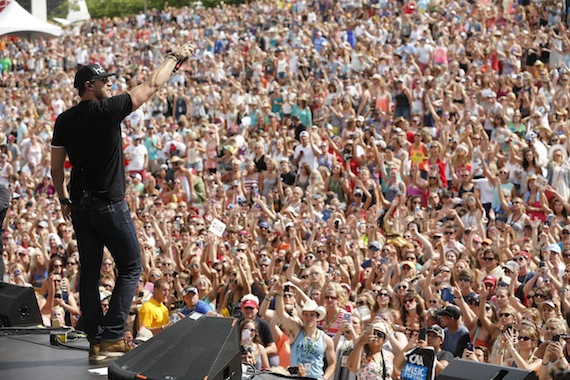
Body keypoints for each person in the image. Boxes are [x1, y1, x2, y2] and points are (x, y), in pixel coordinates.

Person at [50, 44, 193, 363]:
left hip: (80, 207)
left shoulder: (64, 120)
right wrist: (173, 58)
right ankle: (113, 335)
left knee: (89, 272)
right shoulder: (107, 110)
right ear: (90, 86)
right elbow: (152, 86)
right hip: (109, 206)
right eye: (105, 82)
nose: (110, 86)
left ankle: (96, 342)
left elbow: (56, 168)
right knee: (131, 266)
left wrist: (62, 198)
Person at [275, 282, 336, 379]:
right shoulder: (296, 330)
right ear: (302, 316)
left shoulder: (326, 339)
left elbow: (332, 363)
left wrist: (324, 378)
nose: (309, 318)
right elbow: (280, 313)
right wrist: (279, 294)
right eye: (306, 315)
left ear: (317, 317)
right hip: (296, 377)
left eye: (312, 315)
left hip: (316, 377)